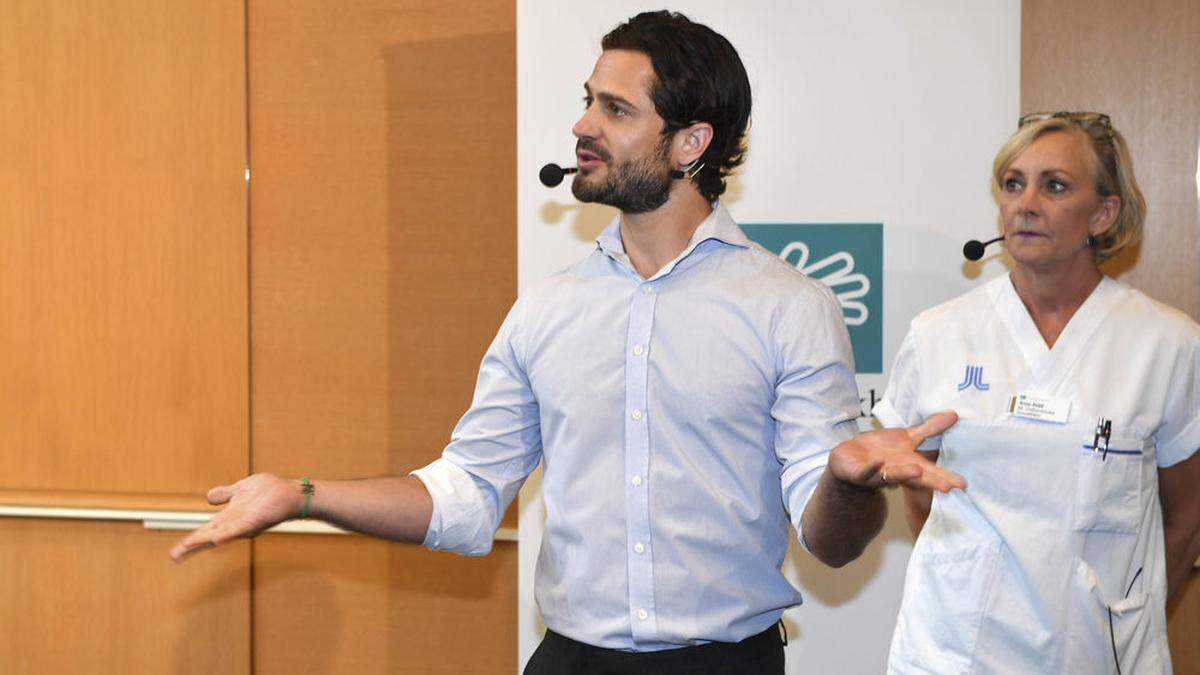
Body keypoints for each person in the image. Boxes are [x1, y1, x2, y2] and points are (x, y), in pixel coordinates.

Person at [171, 11, 961, 674]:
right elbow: (466, 496)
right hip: (569, 661)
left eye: (616, 110)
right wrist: (302, 494)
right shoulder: (544, 312)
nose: (583, 124)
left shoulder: (791, 307)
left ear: (689, 144)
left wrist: (849, 481)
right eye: (588, 101)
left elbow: (828, 544)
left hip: (727, 662)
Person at [874, 111, 1200, 674]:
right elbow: (920, 494)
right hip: (955, 655)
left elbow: (1187, 516)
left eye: (1054, 186)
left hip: (1101, 656)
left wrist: (1121, 617)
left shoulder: (1167, 344)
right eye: (1013, 183)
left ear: (1102, 213)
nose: (1025, 203)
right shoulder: (938, 334)